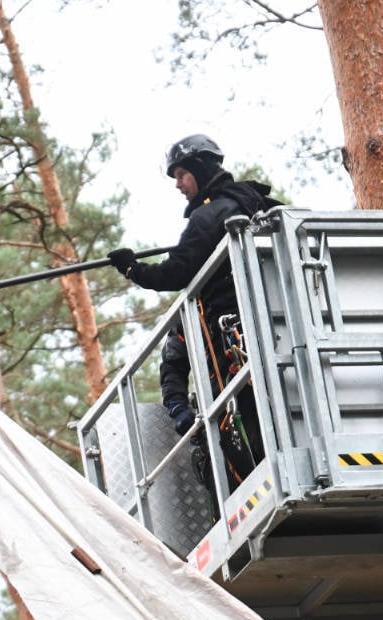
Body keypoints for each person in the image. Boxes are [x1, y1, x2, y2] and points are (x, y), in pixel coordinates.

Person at [109, 134, 280, 489]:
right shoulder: (261, 206)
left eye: (182, 174)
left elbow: (176, 272)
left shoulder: (210, 215)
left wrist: (132, 269)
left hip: (237, 352)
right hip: (278, 334)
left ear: (201, 171)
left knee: (245, 442)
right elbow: (173, 363)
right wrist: (179, 410)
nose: (177, 184)